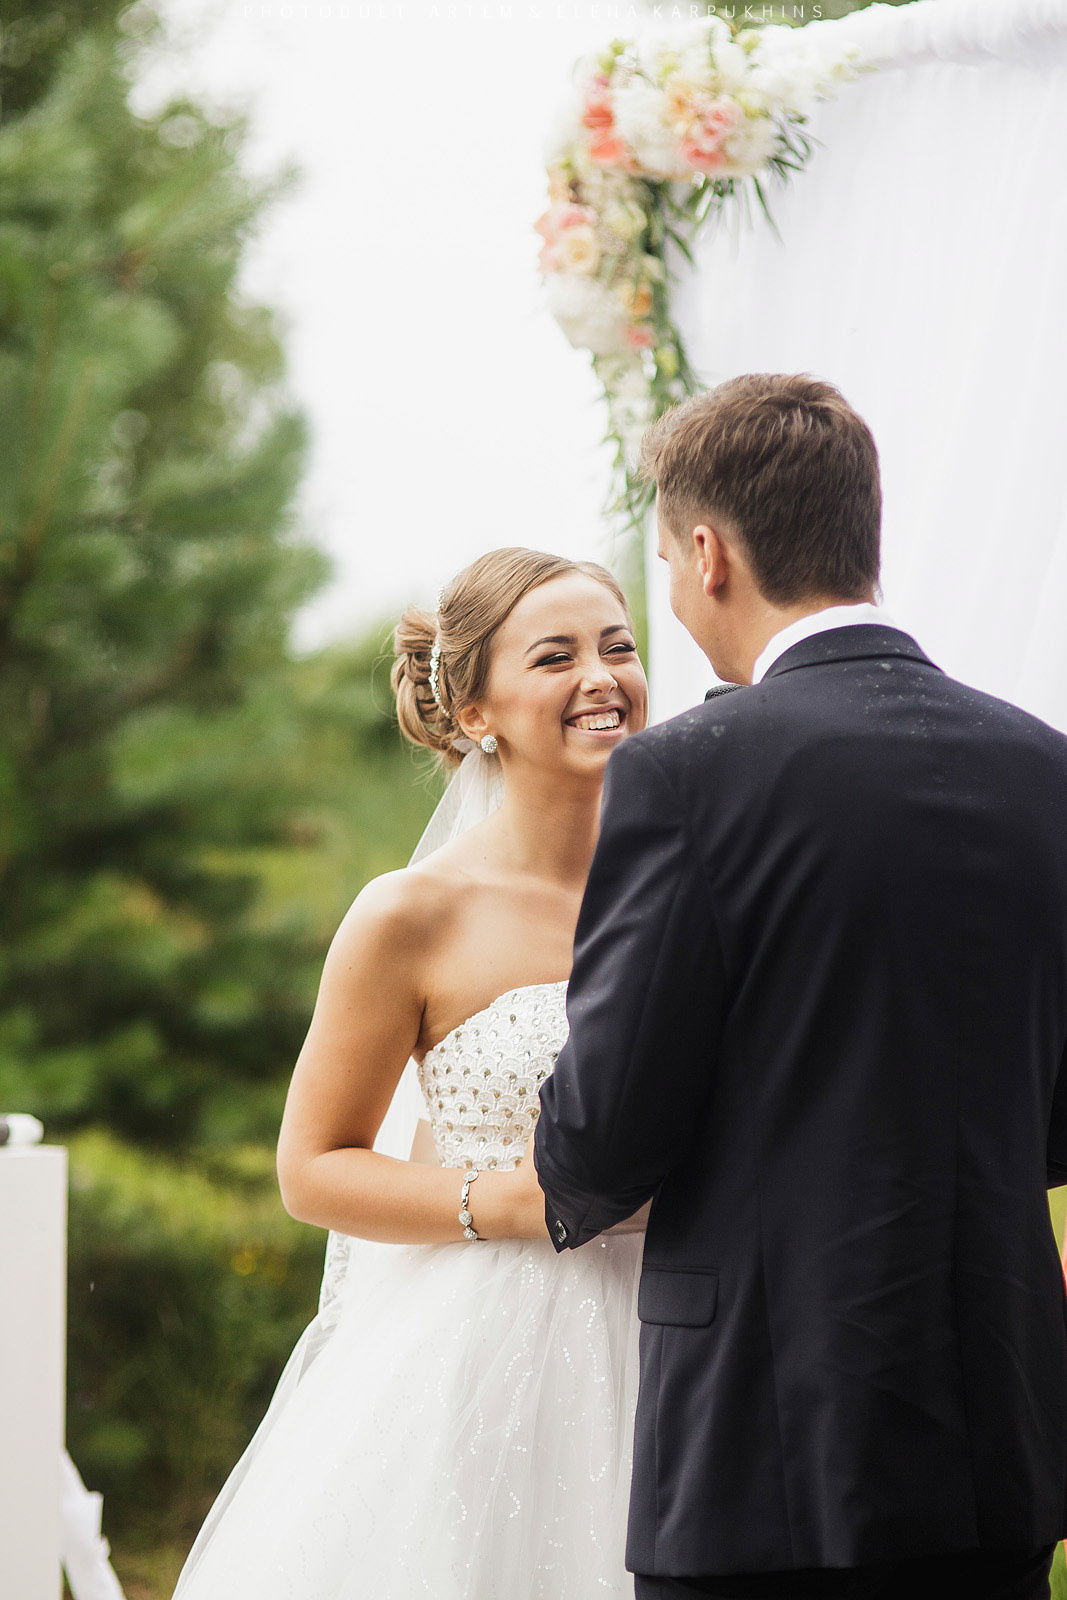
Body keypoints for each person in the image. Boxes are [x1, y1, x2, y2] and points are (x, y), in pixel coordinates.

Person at [523, 373, 1067, 1600]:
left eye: (664, 559)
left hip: (763, 1450)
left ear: (707, 553)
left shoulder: (686, 774)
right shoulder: (1044, 768)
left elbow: (602, 1133)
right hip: (1001, 1431)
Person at [170, 545, 653, 1599]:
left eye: (617, 646)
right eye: (555, 655)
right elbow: (313, 1168)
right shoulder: (410, 913)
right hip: (486, 1352)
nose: (601, 677)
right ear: (475, 710)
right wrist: (515, 1203)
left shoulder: (694, 882)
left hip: (684, 1332)